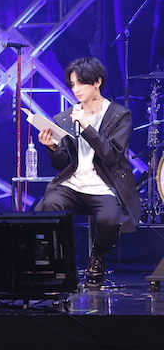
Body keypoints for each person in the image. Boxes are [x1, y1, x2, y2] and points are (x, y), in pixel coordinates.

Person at [37, 56, 141, 288]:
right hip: (73, 183)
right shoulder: (65, 117)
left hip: (105, 184)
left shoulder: (119, 115)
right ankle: (63, 263)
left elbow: (111, 156)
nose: (76, 89)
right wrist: (52, 147)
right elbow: (62, 164)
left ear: (97, 82)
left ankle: (98, 256)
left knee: (110, 220)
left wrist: (87, 127)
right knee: (50, 205)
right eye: (73, 84)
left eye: (81, 83)